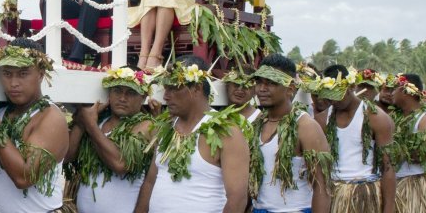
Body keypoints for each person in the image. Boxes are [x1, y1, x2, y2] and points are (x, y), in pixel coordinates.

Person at [0, 38, 71, 213]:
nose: (14, 83)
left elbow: (23, 177)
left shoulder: (50, 117)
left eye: (23, 73)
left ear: (40, 74)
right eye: (7, 73)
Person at [135, 56, 249, 213]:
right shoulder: (167, 127)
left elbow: (237, 199)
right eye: (166, 89)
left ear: (197, 88)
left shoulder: (225, 131)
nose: (166, 96)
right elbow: (150, 182)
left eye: (174, 88)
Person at [249, 54, 332, 213]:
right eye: (259, 82)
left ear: (290, 89)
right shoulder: (256, 124)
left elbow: (322, 186)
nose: (262, 89)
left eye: (271, 83)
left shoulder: (306, 127)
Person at [65, 67, 155, 213]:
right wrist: (81, 123)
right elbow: (67, 156)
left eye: (131, 93)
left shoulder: (147, 125)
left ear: (143, 97)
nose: (122, 98)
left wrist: (90, 125)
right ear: (109, 94)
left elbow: (120, 164)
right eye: (117, 90)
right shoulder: (97, 121)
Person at [316, 65, 395, 213]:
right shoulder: (321, 120)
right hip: (334, 194)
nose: (334, 101)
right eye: (330, 97)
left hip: (366, 195)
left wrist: (389, 208)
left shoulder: (375, 117)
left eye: (338, 95)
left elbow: (388, 167)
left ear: (352, 86)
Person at [390, 73, 426, 213]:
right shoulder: (395, 118)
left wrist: (392, 148)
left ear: (405, 91)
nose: (391, 92)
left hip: (415, 186)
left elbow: (420, 155)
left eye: (395, 88)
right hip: (395, 183)